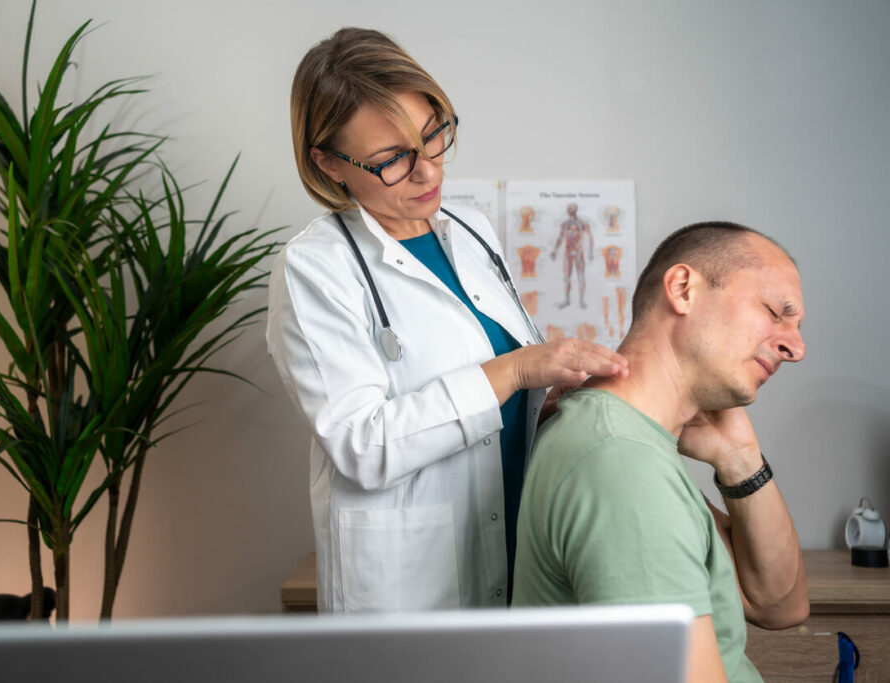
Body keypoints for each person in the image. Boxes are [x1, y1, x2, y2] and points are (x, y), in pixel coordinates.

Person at [267, 28, 628, 613]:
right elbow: (362, 444)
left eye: (433, 136)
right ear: (328, 162)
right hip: (414, 587)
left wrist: (548, 391)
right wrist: (513, 371)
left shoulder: (470, 230)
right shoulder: (313, 269)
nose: (427, 172)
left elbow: (505, 395)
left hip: (520, 542)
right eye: (391, 160)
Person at [513, 222, 810, 682]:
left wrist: (740, 457)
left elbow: (780, 604)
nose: (796, 347)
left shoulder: (635, 442)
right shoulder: (622, 464)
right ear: (683, 289)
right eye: (775, 312)